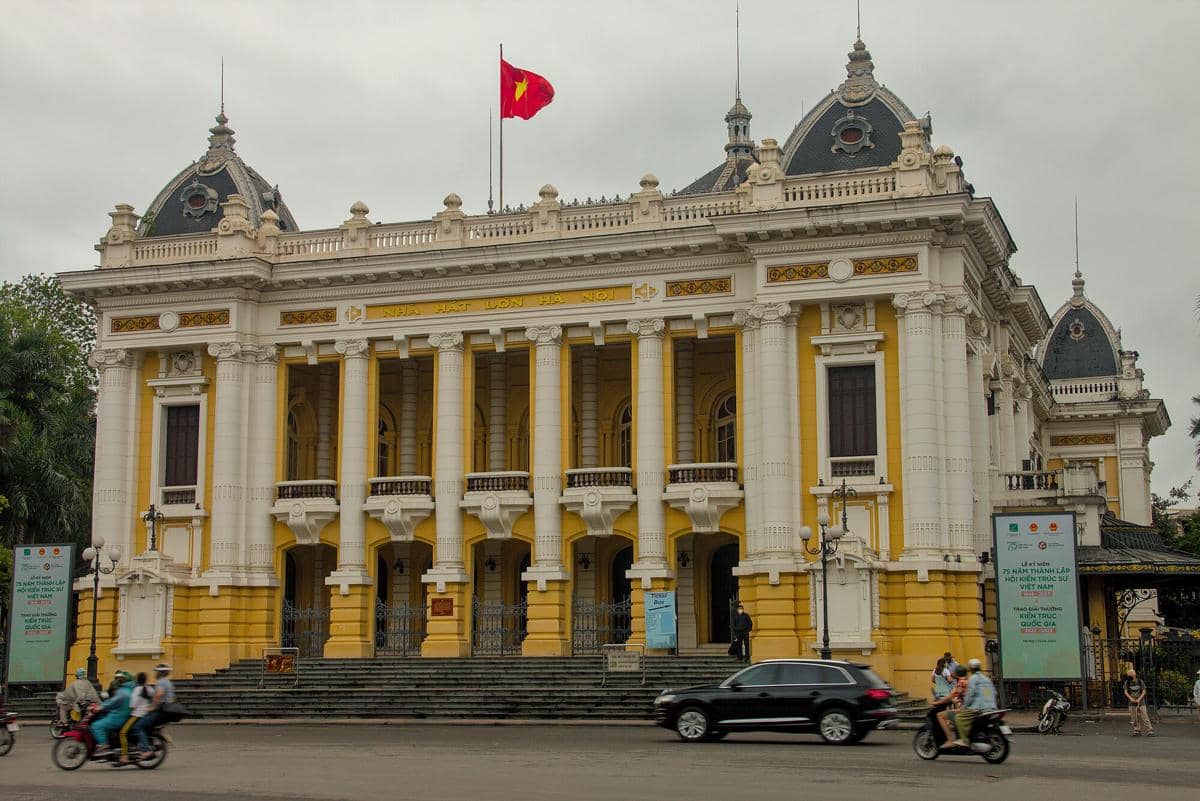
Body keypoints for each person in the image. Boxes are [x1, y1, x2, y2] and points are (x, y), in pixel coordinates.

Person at [953, 658, 998, 746]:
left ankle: (964, 740)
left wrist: (963, 707)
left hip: (978, 708)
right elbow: (993, 693)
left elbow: (970, 695)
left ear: (970, 669)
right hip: (991, 707)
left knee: (958, 718)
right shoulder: (986, 679)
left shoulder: (973, 679)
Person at [90, 671, 134, 755]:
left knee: (96, 726)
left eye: (120, 678)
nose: (118, 680)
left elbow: (113, 702)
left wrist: (101, 707)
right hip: (123, 714)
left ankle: (104, 744)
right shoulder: (130, 689)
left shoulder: (123, 691)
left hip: (119, 715)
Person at [134, 663, 176, 740]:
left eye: (156, 672)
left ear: (160, 673)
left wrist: (152, 707)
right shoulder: (168, 682)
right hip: (167, 710)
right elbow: (172, 698)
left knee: (138, 726)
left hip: (161, 710)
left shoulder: (161, 682)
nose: (155, 673)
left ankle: (145, 749)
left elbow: (159, 695)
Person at [118, 673, 152, 765]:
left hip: (136, 715)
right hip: (145, 714)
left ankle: (124, 756)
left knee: (122, 733)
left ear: (137, 681)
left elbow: (133, 705)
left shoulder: (137, 690)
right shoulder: (149, 689)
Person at [935, 664, 969, 747]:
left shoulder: (960, 683)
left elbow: (951, 696)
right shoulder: (969, 681)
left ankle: (950, 740)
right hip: (969, 707)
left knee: (940, 715)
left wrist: (938, 702)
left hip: (964, 710)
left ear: (957, 674)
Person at [1123, 668, 1154, 736]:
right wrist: (1131, 699)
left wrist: (1139, 699)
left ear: (1134, 675)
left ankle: (1149, 730)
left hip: (1141, 702)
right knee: (1134, 717)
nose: (1129, 676)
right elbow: (1126, 692)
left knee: (1145, 716)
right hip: (1132, 702)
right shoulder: (1127, 682)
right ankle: (1136, 730)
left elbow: (1144, 691)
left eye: (1130, 675)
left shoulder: (1140, 681)